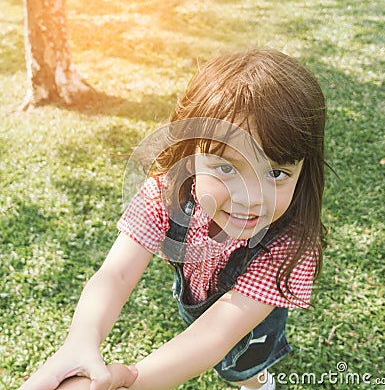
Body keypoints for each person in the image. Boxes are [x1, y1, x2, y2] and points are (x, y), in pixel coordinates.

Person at [18, 48, 327, 390]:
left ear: (304, 170)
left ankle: (258, 383)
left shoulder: (291, 244)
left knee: (243, 369)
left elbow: (216, 335)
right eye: (225, 167)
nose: (249, 197)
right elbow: (116, 273)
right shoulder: (167, 195)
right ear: (190, 153)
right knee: (199, 336)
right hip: (199, 309)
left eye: (276, 172)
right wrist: (80, 340)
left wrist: (131, 382)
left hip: (252, 329)